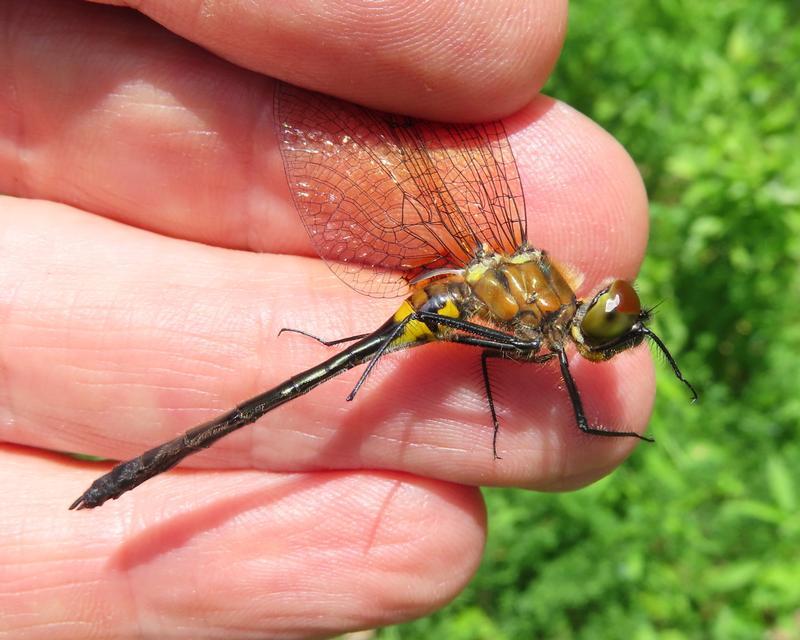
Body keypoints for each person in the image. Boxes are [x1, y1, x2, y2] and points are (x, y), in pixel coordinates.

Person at [0, 0, 655, 637]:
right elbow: (493, 356)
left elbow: (489, 353)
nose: (605, 326)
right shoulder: (538, 318)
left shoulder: (533, 306)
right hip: (433, 311)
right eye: (609, 320)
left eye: (610, 325)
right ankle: (131, 473)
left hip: (437, 310)